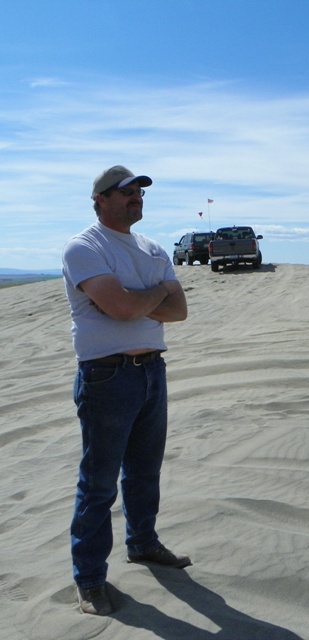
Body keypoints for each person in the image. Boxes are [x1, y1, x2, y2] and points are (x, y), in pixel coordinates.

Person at [62, 165, 190, 617]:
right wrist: (153, 295)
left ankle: (143, 544)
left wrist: (143, 299)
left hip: (152, 370)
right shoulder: (85, 247)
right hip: (107, 377)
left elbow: (180, 311)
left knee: (144, 471)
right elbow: (120, 309)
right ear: (100, 199)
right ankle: (91, 580)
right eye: (126, 192)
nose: (136, 197)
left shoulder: (152, 247)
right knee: (98, 483)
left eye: (139, 192)